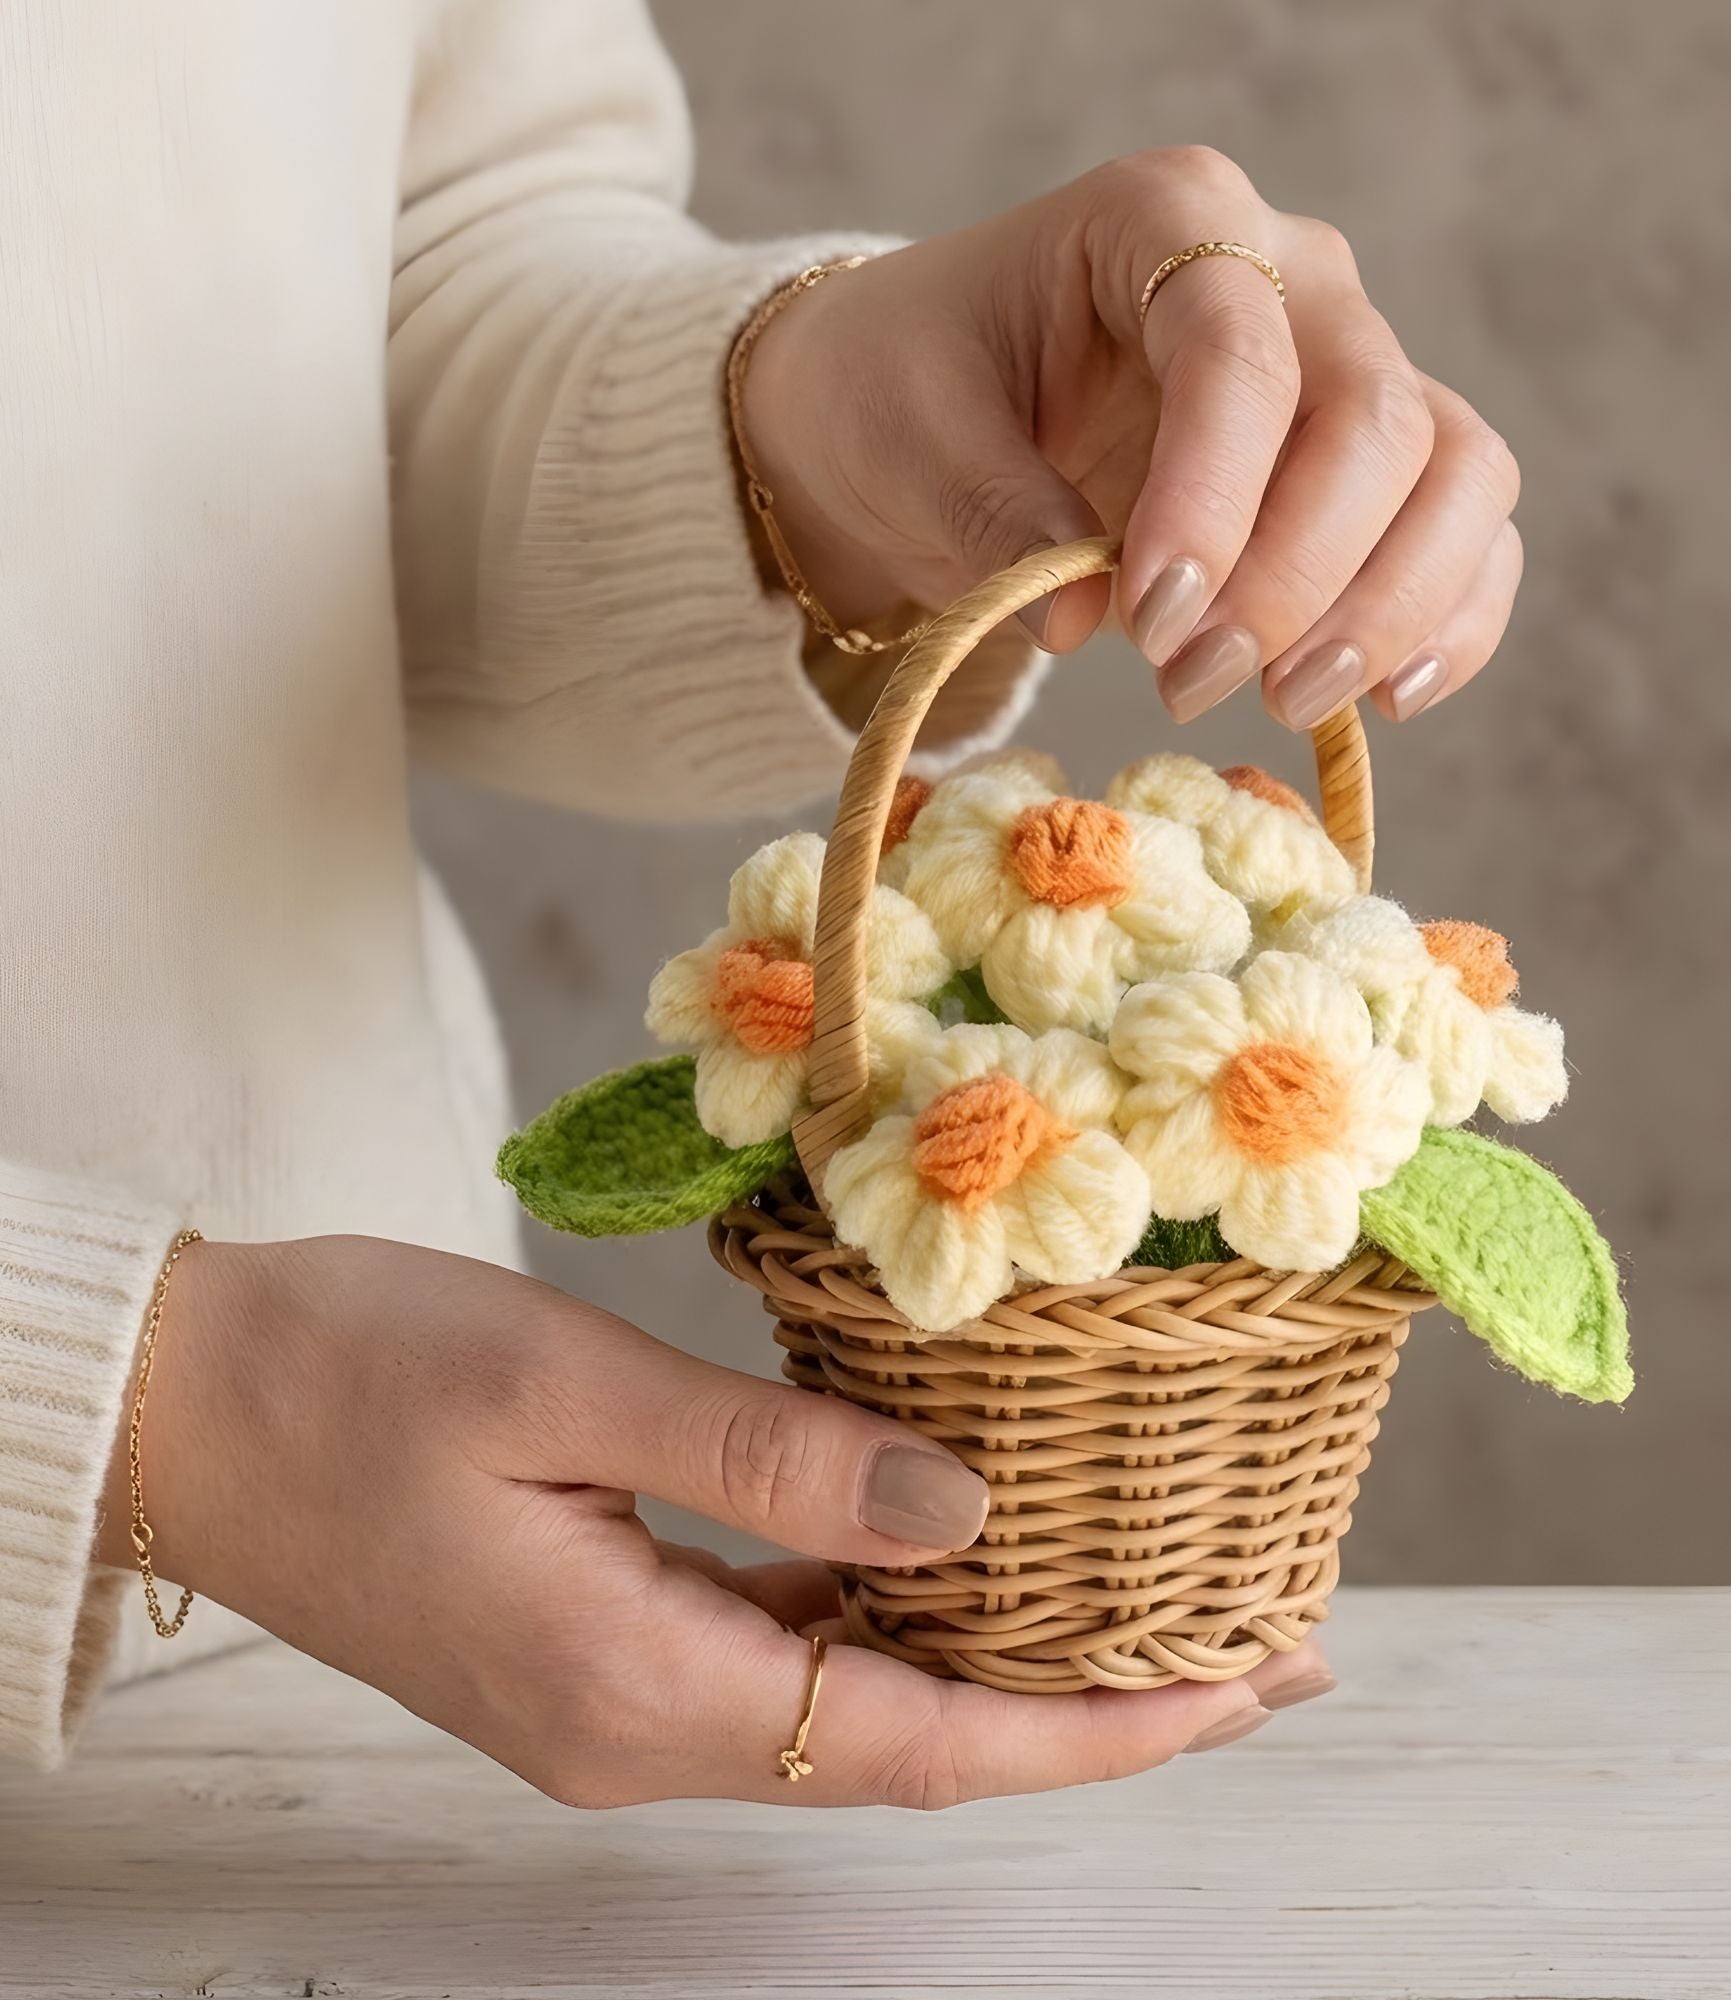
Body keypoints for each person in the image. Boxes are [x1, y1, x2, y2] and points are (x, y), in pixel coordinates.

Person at [0, 1, 1522, 1806]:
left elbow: (373, 291)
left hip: (333, 1670)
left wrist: (802, 442)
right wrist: (126, 1405)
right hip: (305, 1506)